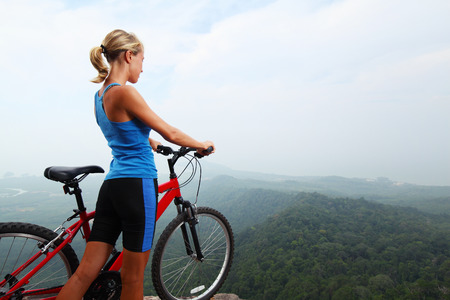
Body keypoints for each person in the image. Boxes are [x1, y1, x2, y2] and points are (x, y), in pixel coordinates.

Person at [56, 29, 214, 300]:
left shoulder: (100, 96)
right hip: (137, 186)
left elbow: (122, 130)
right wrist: (202, 144)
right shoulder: (126, 93)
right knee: (132, 280)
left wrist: (148, 141)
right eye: (142, 60)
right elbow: (171, 133)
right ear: (129, 56)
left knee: (84, 273)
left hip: (112, 187)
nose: (142, 67)